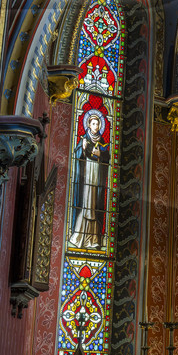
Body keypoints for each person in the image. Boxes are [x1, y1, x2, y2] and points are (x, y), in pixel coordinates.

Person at [69, 100, 111, 250]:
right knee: (86, 203)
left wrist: (100, 154)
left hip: (97, 176)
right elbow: (78, 154)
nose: (96, 127)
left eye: (98, 124)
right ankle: (79, 236)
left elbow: (107, 157)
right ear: (89, 125)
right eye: (94, 124)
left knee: (95, 205)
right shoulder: (84, 140)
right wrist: (84, 149)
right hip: (86, 175)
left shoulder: (103, 141)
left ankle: (94, 239)